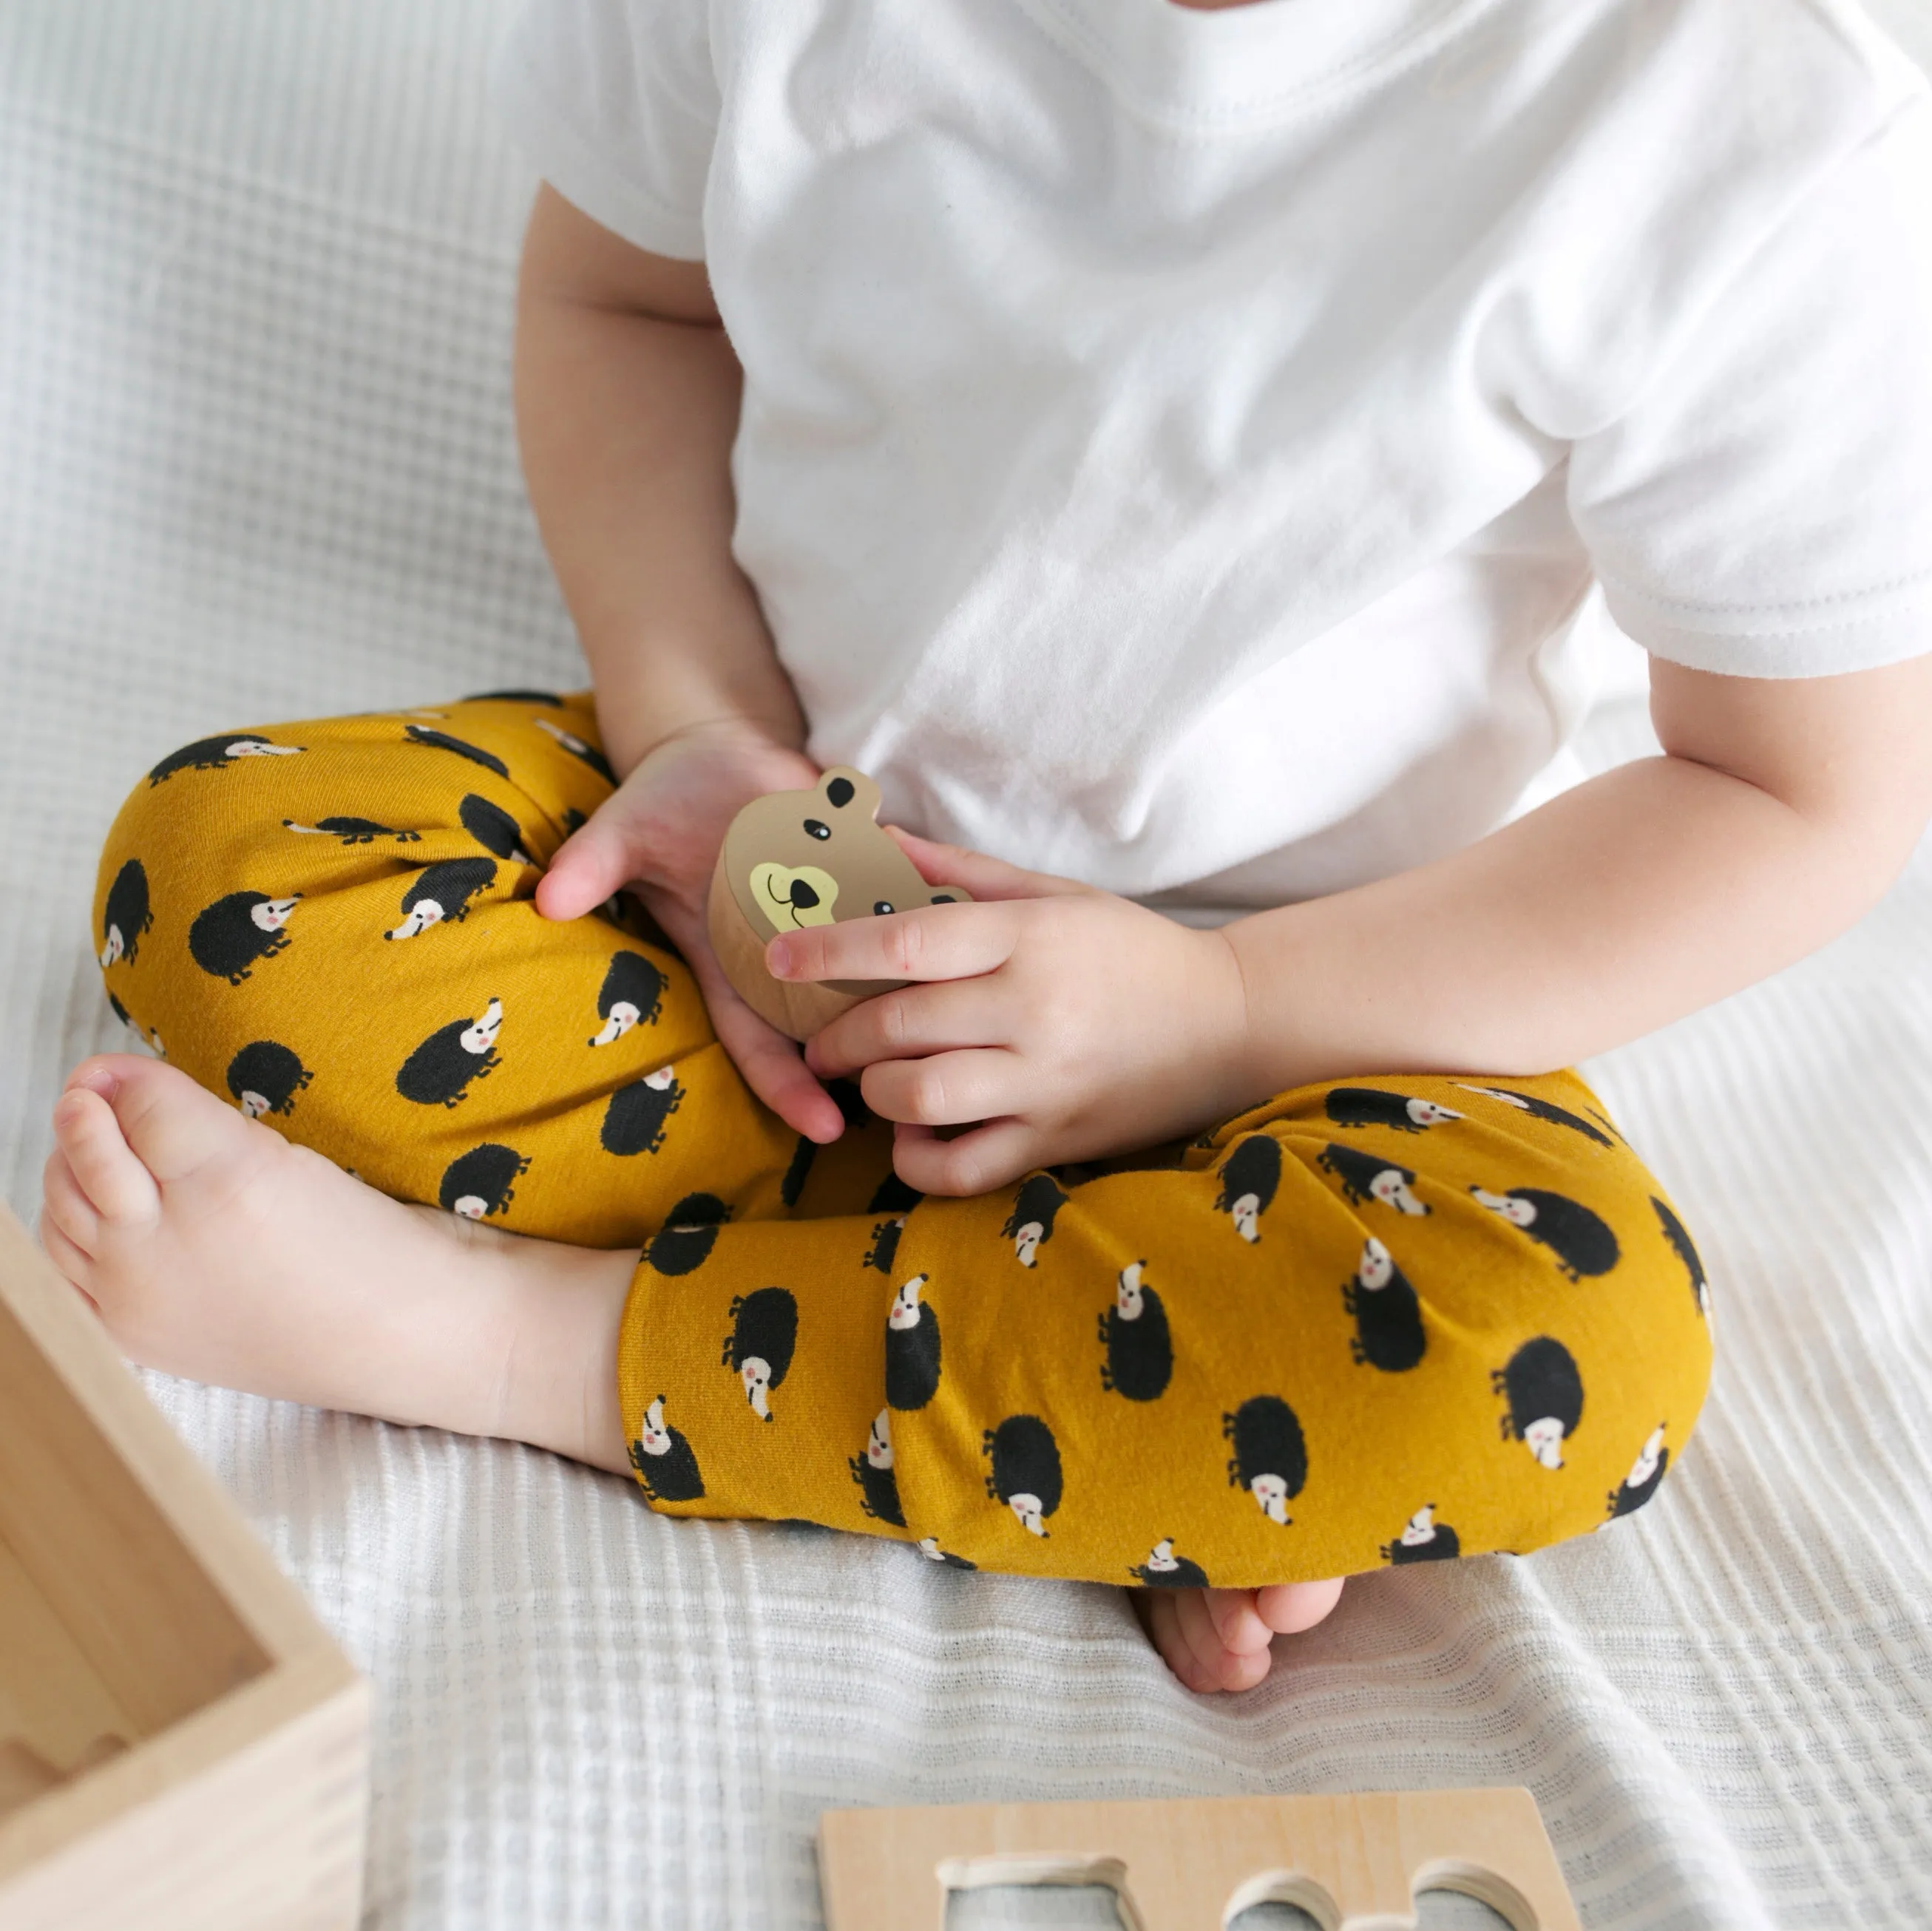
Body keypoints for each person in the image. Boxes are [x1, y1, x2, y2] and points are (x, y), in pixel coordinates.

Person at [41, 0, 1932, 1694]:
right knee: (236, 872)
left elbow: (1800, 787)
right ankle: (1089, 1394)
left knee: (1550, 1340)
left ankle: (528, 1350)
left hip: (1308, 1006)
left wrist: (1214, 1006)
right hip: (795, 872)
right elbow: (626, 303)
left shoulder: (1756, 106)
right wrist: (699, 737)